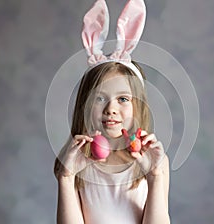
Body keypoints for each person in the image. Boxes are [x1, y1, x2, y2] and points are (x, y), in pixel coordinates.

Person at [54, 0, 170, 223]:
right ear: (85, 106)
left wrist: (154, 176)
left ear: (138, 106)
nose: (111, 109)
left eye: (123, 99)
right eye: (99, 98)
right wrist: (66, 178)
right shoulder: (75, 161)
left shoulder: (154, 161)